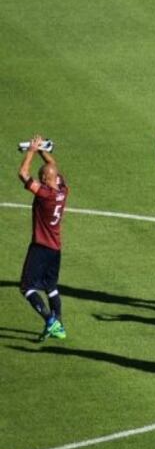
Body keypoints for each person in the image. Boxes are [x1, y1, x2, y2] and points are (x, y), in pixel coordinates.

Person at [17, 135, 69, 341]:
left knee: (26, 287)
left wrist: (31, 150)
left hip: (40, 247)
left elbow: (23, 174)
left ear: (47, 180)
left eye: (42, 178)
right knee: (51, 287)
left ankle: (50, 320)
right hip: (56, 249)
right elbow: (53, 165)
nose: (39, 179)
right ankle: (60, 326)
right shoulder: (63, 190)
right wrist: (42, 150)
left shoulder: (44, 194)